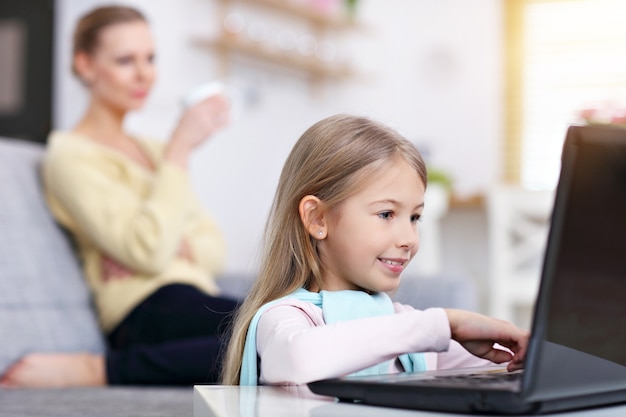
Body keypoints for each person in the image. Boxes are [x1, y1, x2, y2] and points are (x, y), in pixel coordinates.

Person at [0, 5, 239, 387]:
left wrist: (167, 243)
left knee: (294, 332)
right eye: (125, 60)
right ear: (86, 65)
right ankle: (102, 370)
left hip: (193, 297)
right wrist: (180, 148)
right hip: (141, 309)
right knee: (276, 337)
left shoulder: (154, 150)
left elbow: (215, 248)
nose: (144, 74)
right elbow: (149, 251)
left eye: (150, 58)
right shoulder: (71, 153)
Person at [221, 114, 530, 386]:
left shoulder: (404, 327)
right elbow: (299, 360)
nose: (409, 238)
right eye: (386, 214)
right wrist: (444, 324)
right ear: (318, 218)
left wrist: (529, 351)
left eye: (415, 217)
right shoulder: (288, 317)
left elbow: (510, 367)